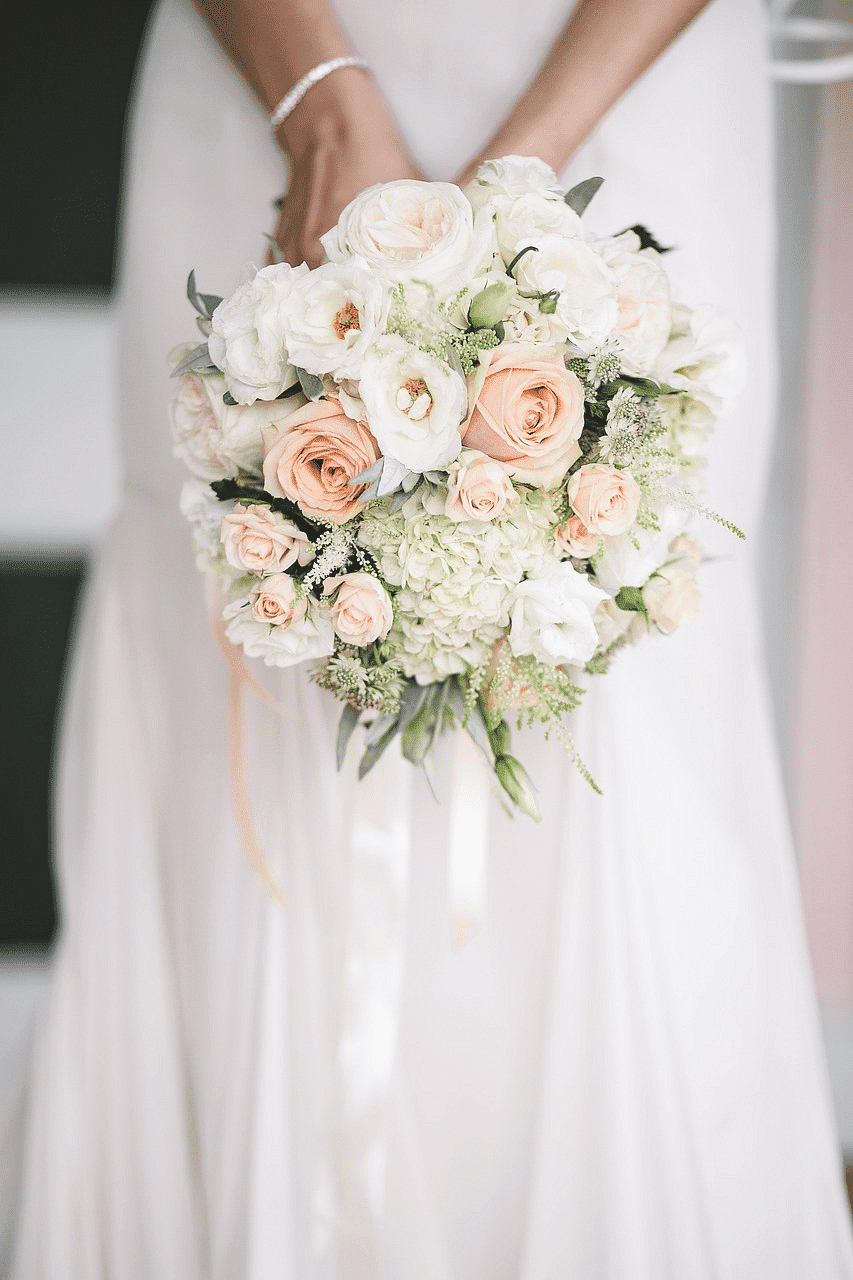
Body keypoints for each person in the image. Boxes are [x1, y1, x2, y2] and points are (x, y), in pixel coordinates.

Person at [3, 0, 853, 1275]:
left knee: (618, 657)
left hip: (628, 78)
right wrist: (322, 103)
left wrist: (515, 189)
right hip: (260, 78)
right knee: (240, 613)